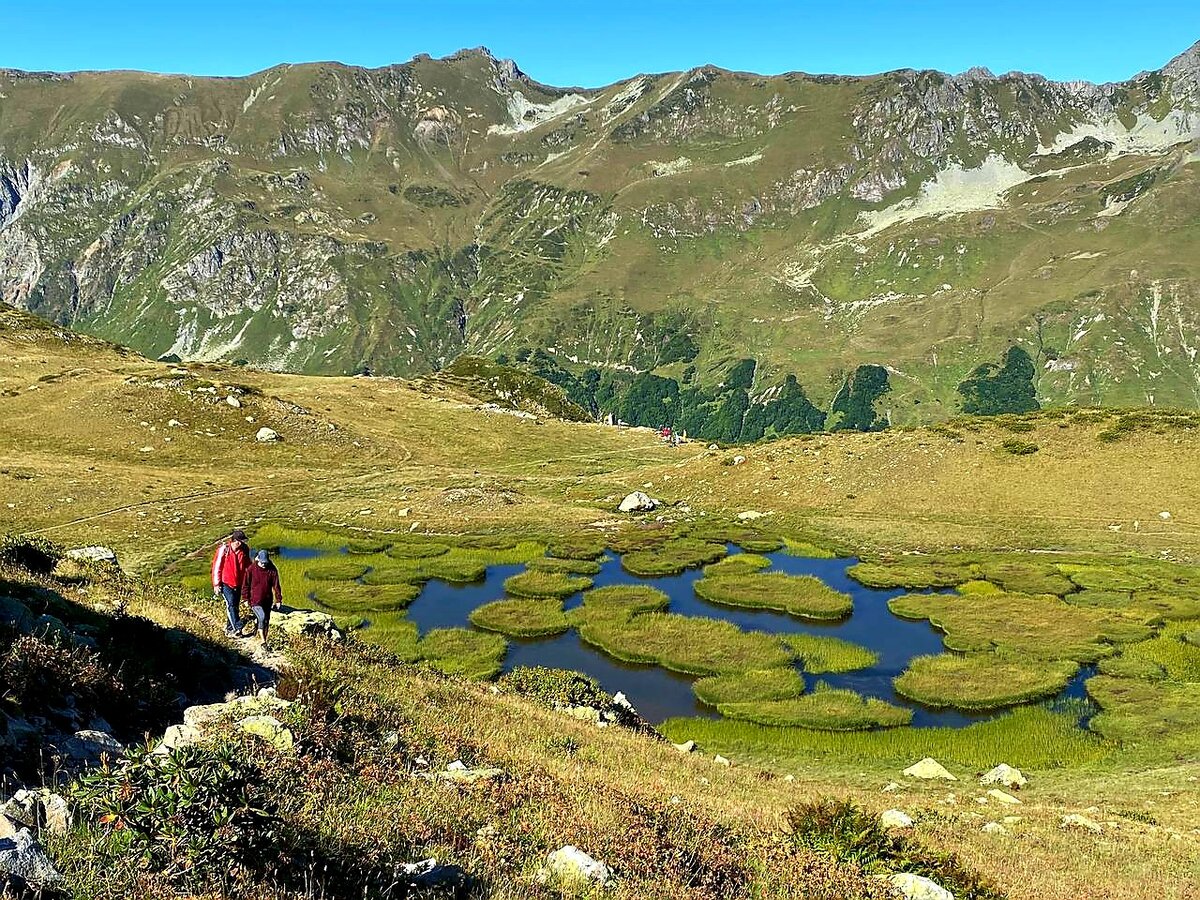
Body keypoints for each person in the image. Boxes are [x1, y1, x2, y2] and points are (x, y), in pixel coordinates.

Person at [211, 529, 251, 636]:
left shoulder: (245, 550)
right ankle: (238, 628)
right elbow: (217, 567)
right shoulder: (224, 550)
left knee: (234, 606)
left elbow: (248, 566)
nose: (243, 543)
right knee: (231, 604)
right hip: (225, 583)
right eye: (241, 541)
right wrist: (216, 584)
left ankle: (229, 629)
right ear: (236, 541)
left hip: (238, 584)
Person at [241, 549, 283, 648]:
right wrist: (245, 599)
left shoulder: (272, 570)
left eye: (265, 563)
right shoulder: (251, 569)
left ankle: (264, 637)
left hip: (267, 600)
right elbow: (245, 585)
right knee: (262, 617)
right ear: (258, 559)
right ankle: (263, 641)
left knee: (266, 620)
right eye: (262, 562)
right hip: (254, 600)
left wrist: (278, 600)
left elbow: (276, 586)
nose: (264, 565)